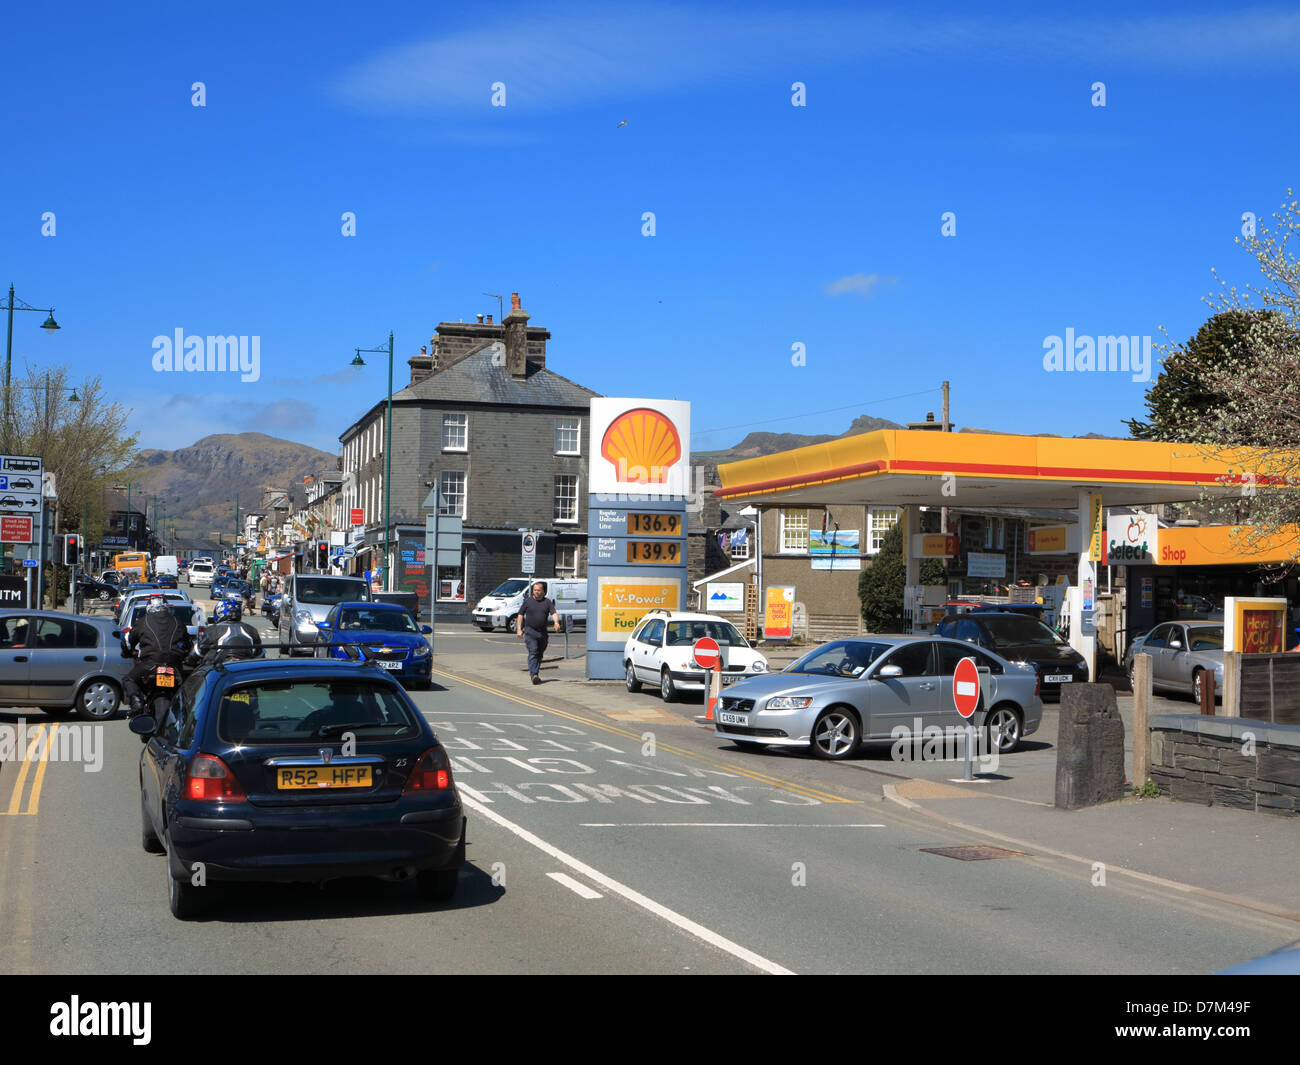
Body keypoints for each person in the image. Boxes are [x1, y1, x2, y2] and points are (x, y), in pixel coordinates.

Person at [123, 596, 189, 715]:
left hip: (150, 663)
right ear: (166, 608)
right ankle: (185, 710)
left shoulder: (143, 621)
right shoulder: (178, 622)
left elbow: (127, 642)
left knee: (128, 679)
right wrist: (182, 654)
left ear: (148, 608)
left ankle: (137, 702)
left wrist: (127, 652)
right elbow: (187, 644)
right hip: (174, 663)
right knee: (187, 687)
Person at [193, 599, 263, 666]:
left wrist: (188, 661)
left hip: (221, 669)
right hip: (246, 668)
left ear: (219, 612)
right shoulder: (252, 629)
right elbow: (260, 654)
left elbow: (198, 652)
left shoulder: (212, 630)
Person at [516, 580, 559, 684]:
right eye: (535, 590)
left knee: (539, 654)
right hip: (530, 631)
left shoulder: (547, 602)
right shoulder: (528, 601)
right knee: (533, 651)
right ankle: (534, 674)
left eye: (538, 590)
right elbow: (520, 614)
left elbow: (553, 613)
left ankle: (535, 673)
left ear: (543, 591)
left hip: (543, 632)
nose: (536, 592)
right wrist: (519, 629)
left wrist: (556, 622)